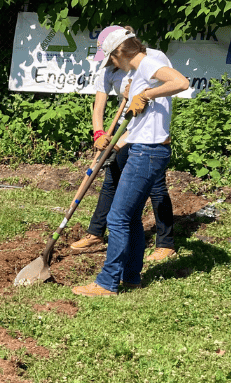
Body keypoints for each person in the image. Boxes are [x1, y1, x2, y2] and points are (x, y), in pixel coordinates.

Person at [72, 25, 190, 297]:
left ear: (119, 53)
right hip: (140, 147)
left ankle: (106, 283)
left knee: (117, 217)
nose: (112, 63)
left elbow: (181, 83)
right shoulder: (140, 70)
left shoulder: (148, 63)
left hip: (148, 152)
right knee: (132, 217)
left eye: (111, 58)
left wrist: (146, 95)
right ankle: (131, 276)